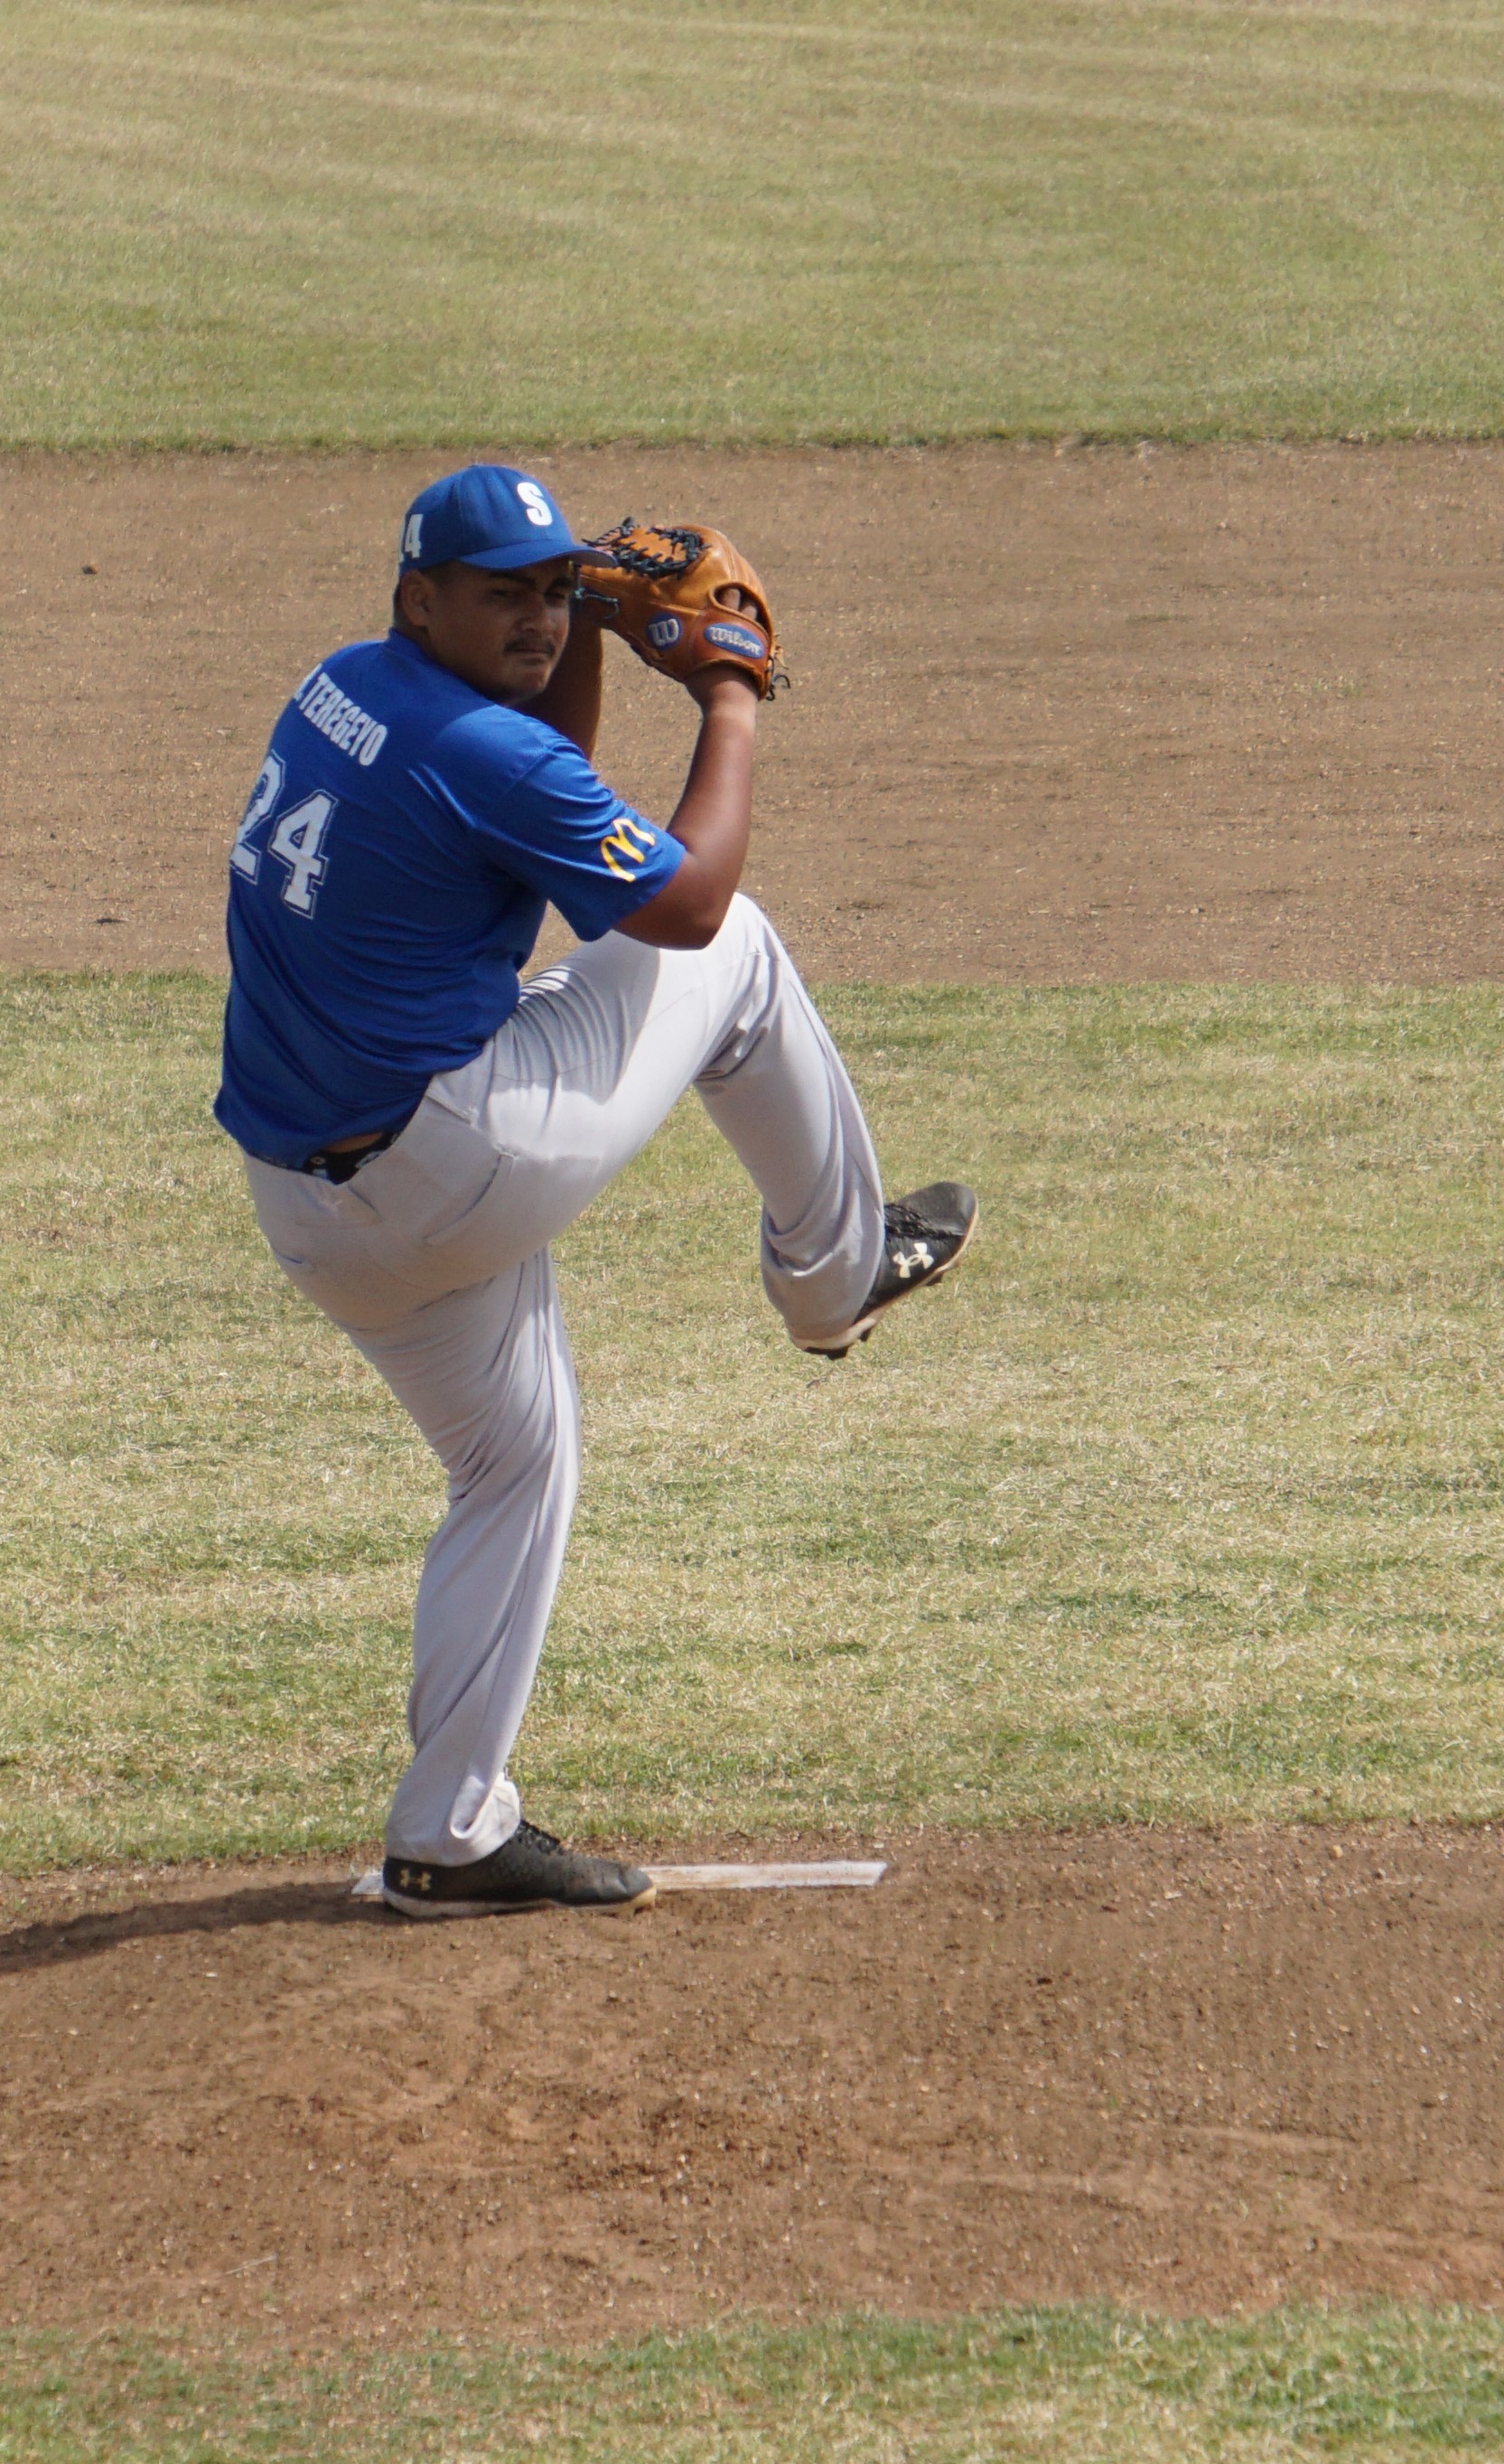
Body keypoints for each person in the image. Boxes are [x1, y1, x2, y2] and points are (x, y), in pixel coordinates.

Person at [215, 463, 976, 1918]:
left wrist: (577, 652)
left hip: (312, 1206)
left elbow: (535, 817)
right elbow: (675, 901)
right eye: (508, 594)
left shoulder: (343, 688)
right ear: (418, 599)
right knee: (733, 945)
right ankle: (835, 1276)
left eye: (561, 589)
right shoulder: (474, 752)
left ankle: (449, 1830)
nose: (545, 619)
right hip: (452, 1163)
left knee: (517, 1462)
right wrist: (730, 699)